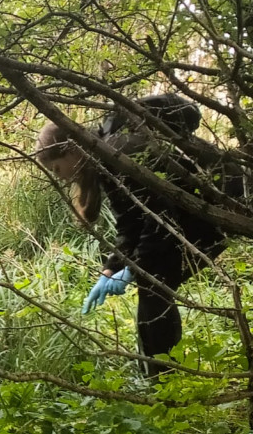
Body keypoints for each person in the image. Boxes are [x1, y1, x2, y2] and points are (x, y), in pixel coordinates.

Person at [35, 95, 238, 376]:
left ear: (71, 151)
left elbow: (159, 219)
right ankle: (162, 376)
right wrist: (110, 269)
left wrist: (132, 269)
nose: (59, 177)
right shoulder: (106, 156)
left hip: (217, 208)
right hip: (198, 212)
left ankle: (164, 381)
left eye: (57, 168)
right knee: (153, 283)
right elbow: (131, 223)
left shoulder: (117, 154)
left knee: (153, 284)